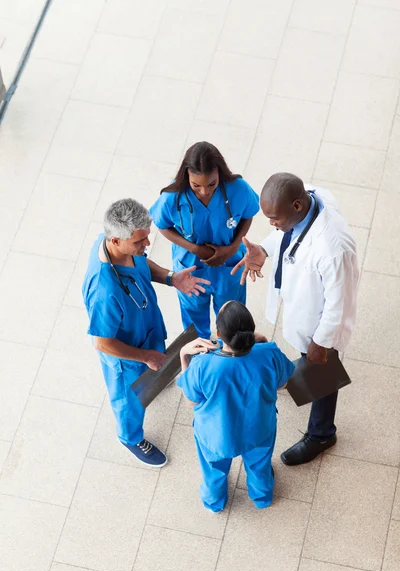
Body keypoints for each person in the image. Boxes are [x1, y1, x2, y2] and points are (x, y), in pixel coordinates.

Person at [231, 173, 359, 466]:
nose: (272, 224)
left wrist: (321, 342)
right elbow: (286, 234)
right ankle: (303, 378)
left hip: (321, 324)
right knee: (309, 361)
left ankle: (322, 434)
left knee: (323, 370)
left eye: (275, 218)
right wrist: (264, 249)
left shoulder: (332, 247)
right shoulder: (307, 199)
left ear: (298, 206)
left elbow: (339, 303)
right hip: (303, 306)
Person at [82, 199, 210, 467]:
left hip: (145, 330)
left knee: (153, 367)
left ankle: (151, 376)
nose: (147, 245)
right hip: (126, 355)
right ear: (115, 240)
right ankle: (129, 437)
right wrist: (143, 357)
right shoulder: (104, 291)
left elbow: (141, 262)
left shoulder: (120, 247)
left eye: (146, 237)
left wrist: (170, 277)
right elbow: (103, 343)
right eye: (139, 241)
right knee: (129, 401)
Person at [177, 301, 294, 512]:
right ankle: (262, 498)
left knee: (214, 471)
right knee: (260, 467)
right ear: (251, 329)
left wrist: (184, 355)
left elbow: (191, 400)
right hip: (259, 429)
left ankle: (214, 502)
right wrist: (264, 342)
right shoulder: (269, 353)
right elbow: (283, 384)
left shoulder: (202, 365)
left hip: (216, 436)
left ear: (218, 334)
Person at [149, 141, 259, 339]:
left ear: (220, 173)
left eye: (212, 184)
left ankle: (230, 353)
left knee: (232, 320)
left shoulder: (238, 189)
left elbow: (248, 214)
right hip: (190, 268)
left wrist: (233, 248)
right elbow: (162, 225)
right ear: (187, 176)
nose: (204, 192)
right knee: (193, 323)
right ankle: (200, 355)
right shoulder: (172, 198)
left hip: (229, 267)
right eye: (196, 185)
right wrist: (194, 248)